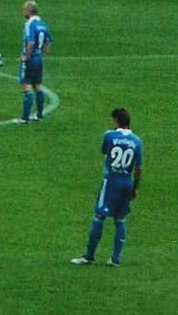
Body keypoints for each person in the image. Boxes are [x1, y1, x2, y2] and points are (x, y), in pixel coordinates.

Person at [72, 108, 144, 267]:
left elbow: (104, 151)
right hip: (127, 182)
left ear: (116, 120)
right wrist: (135, 188)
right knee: (120, 220)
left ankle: (89, 256)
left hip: (111, 181)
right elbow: (139, 168)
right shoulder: (137, 141)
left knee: (99, 217)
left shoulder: (110, 136)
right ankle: (115, 259)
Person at [14, 0, 52, 123]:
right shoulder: (42, 24)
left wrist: (26, 56)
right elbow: (48, 42)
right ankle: (39, 115)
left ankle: (25, 118)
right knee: (38, 86)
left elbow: (30, 42)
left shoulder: (30, 24)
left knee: (27, 86)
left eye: (24, 9)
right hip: (38, 59)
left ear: (29, 11)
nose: (23, 12)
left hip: (30, 59)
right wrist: (41, 55)